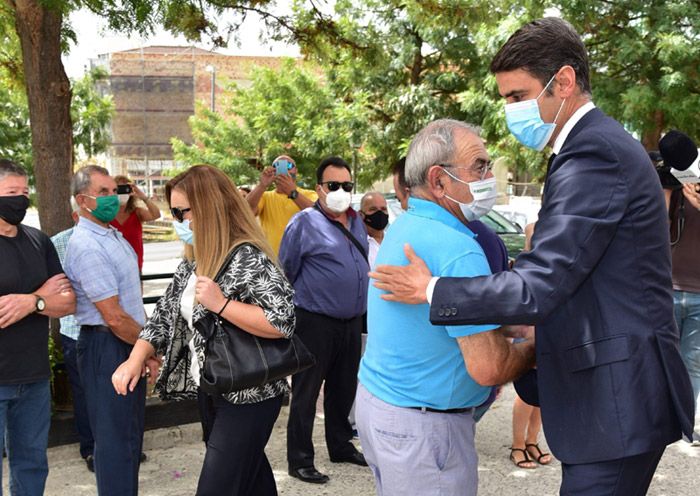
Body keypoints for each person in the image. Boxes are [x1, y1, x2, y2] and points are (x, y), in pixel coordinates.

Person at [371, 17, 695, 496]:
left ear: (562, 82)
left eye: (516, 97)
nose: (510, 112)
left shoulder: (594, 153)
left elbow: (542, 283)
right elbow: (576, 271)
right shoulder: (592, 148)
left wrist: (432, 289)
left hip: (615, 404)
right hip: (613, 397)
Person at [356, 120, 535, 496]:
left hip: (381, 408)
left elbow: (440, 322)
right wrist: (534, 348)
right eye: (480, 167)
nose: (489, 176)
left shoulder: (406, 227)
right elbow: (489, 367)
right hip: (424, 428)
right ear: (438, 181)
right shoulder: (458, 248)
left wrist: (509, 328)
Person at [112, 165, 296, 496]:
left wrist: (222, 304)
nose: (180, 221)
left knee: (217, 487)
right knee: (251, 480)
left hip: (250, 395)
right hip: (211, 389)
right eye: (175, 212)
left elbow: (282, 321)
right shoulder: (193, 263)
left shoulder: (248, 256)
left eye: (184, 211)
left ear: (209, 206)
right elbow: (164, 316)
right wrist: (135, 358)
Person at [280, 156, 369, 484]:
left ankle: (340, 444)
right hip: (314, 321)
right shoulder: (303, 223)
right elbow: (286, 270)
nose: (341, 191)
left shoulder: (356, 220)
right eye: (334, 186)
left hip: (351, 321)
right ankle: (300, 460)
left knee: (344, 387)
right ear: (318, 188)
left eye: (347, 185)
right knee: (306, 391)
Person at [65, 165, 148, 496]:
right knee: (114, 445)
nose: (113, 198)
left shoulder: (111, 234)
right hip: (107, 346)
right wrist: (148, 347)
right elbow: (113, 316)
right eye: (103, 192)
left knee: (129, 440)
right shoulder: (87, 244)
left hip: (127, 343)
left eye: (114, 191)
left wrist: (143, 350)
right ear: (82, 201)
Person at [0, 159, 76, 495]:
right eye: (11, 192)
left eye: (24, 191)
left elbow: (67, 302)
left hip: (33, 377)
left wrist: (32, 302)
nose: (20, 199)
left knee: (32, 463)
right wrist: (40, 298)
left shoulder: (37, 240)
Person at [50, 198, 95, 472]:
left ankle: (117, 447)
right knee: (83, 395)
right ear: (75, 215)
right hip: (74, 332)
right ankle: (90, 449)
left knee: (112, 393)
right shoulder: (58, 243)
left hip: (109, 331)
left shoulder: (114, 238)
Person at [509, 223, 551, 469]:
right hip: (528, 329)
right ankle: (517, 445)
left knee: (545, 391)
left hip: (551, 328)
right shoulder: (525, 264)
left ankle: (532, 441)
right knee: (526, 391)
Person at [668, 181, 700, 444]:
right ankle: (655, 420)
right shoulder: (676, 190)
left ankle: (684, 424)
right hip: (667, 289)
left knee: (692, 363)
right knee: (660, 358)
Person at [246, 155, 317, 255]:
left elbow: (317, 215)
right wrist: (262, 185)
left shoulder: (309, 194)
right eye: (277, 165)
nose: (284, 169)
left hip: (302, 261)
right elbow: (246, 210)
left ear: (296, 171)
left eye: (289, 165)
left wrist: (292, 192)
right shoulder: (265, 196)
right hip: (273, 263)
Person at [110, 175, 161, 272]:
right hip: (112, 268)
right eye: (118, 189)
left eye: (125, 189)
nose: (122, 193)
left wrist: (143, 197)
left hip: (134, 267)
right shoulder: (107, 215)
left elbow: (156, 215)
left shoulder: (137, 213)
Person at [358, 191, 389, 270]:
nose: (379, 213)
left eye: (383, 209)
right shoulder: (356, 244)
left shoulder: (395, 241)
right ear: (361, 215)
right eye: (373, 209)